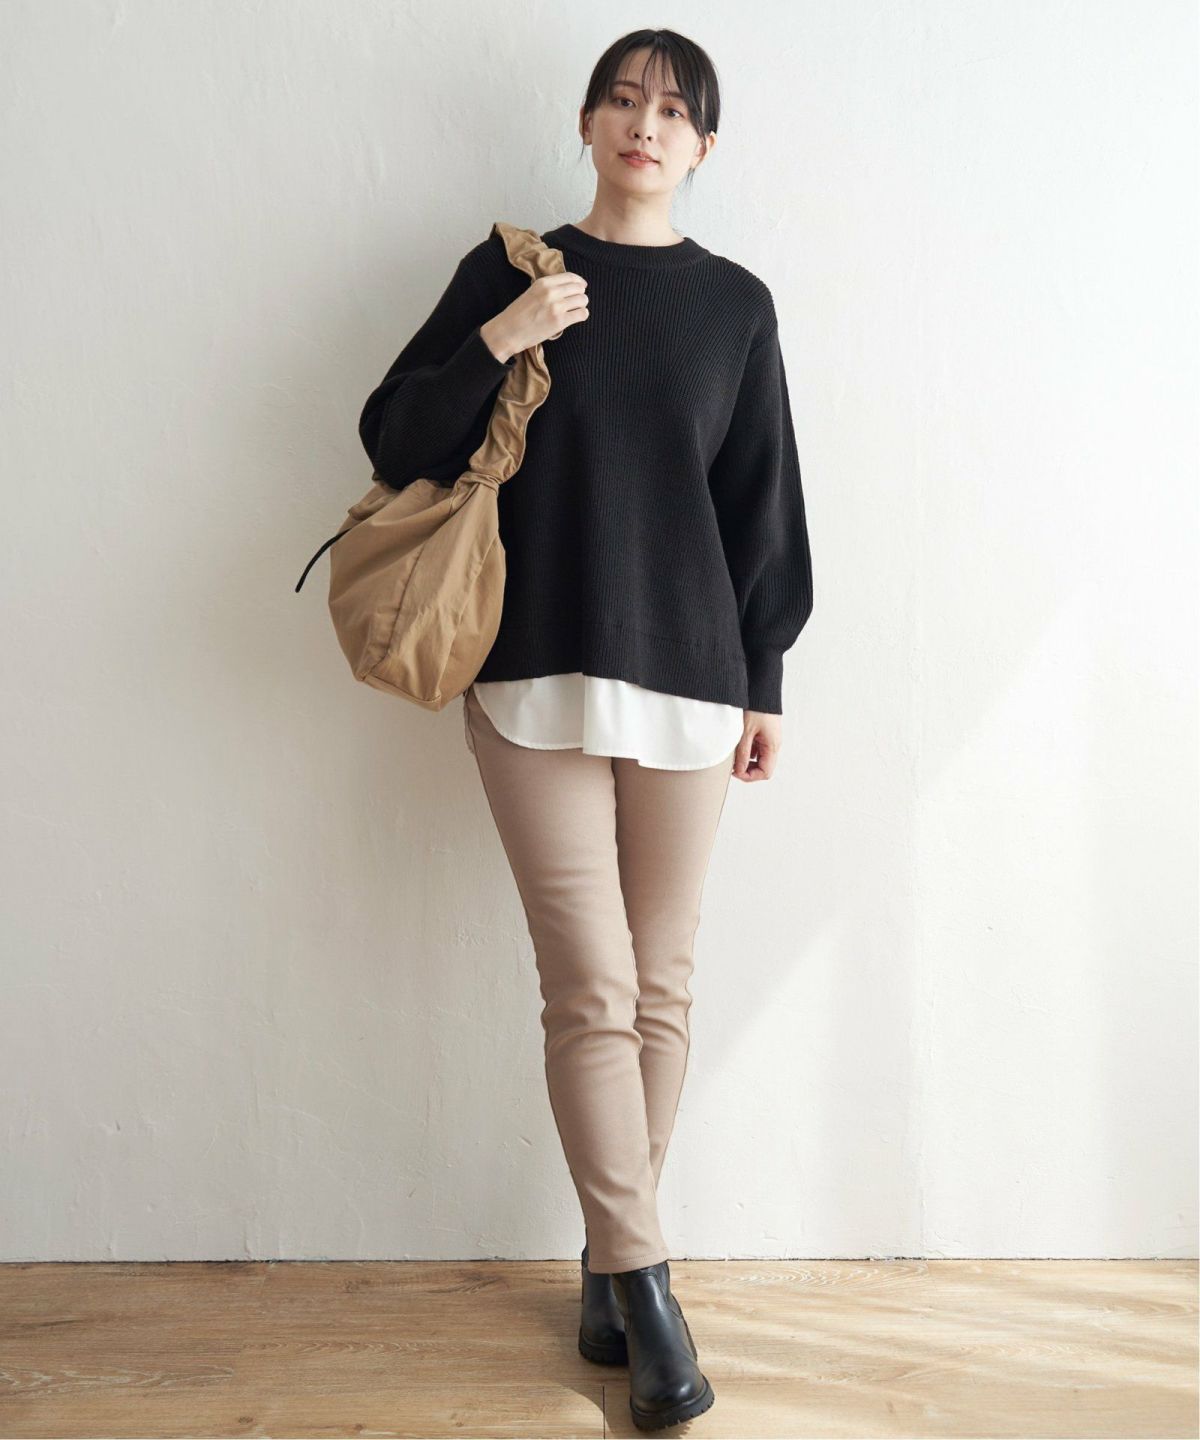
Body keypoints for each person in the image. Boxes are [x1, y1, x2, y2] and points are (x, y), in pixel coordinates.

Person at [358, 28, 813, 1432]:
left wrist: (766, 681)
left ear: (704, 147)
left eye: (673, 110)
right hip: (530, 670)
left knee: (661, 985)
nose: (644, 124)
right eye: (623, 98)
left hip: (691, 677)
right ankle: (651, 1291)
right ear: (587, 121)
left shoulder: (736, 307)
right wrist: (505, 336)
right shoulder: (512, 270)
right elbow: (394, 437)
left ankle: (612, 1269)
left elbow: (761, 504)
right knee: (592, 984)